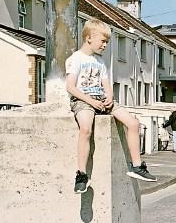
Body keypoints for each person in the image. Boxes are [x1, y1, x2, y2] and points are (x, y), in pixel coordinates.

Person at [66, 18, 156, 193]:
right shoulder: (76, 59)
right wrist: (90, 101)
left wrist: (109, 97)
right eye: (103, 41)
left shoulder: (100, 62)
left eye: (107, 42)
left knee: (133, 123)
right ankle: (81, 174)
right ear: (89, 37)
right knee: (85, 129)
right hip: (83, 100)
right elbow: (70, 87)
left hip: (101, 99)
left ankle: (137, 166)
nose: (105, 45)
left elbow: (107, 86)